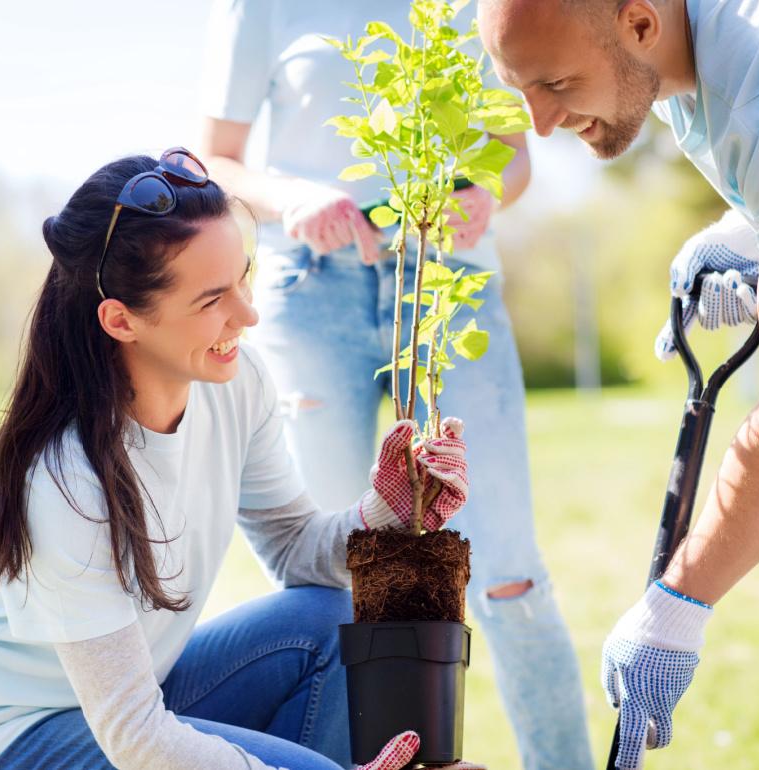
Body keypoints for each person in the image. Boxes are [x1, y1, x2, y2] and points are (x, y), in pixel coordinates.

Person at [0, 151, 482, 770]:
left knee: (327, 623)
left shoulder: (236, 383)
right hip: (7, 739)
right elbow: (136, 738)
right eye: (212, 301)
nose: (248, 314)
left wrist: (387, 510)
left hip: (130, 705)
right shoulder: (65, 480)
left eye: (244, 278)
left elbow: (293, 548)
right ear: (121, 319)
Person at [198, 3, 594, 769]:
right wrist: (292, 200)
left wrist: (482, 192)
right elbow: (215, 160)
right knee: (330, 583)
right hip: (312, 290)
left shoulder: (484, 9)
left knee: (509, 573)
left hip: (450, 286)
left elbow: (513, 153)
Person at [476, 0, 759, 767]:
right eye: (522, 91)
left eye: (555, 83)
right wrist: (746, 230)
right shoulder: (676, 75)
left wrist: (678, 607)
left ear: (639, 24)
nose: (539, 124)